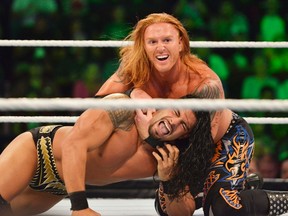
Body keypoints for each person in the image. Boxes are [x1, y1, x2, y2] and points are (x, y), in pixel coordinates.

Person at [95, 13, 288, 216]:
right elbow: (98, 104)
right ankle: (235, 185)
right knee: (168, 209)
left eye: (167, 40)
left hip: (223, 139)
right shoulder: (135, 68)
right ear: (143, 46)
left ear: (181, 43)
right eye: (152, 41)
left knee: (223, 208)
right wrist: (132, 93)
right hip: (178, 143)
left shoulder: (204, 81)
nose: (160, 48)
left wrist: (151, 139)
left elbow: (201, 145)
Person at [0, 93, 214, 216]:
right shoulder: (122, 109)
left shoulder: (167, 158)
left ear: (184, 135)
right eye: (175, 113)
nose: (173, 122)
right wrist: (80, 207)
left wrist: (169, 181)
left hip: (60, 185)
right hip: (39, 152)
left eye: (182, 125)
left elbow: (181, 213)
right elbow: (73, 145)